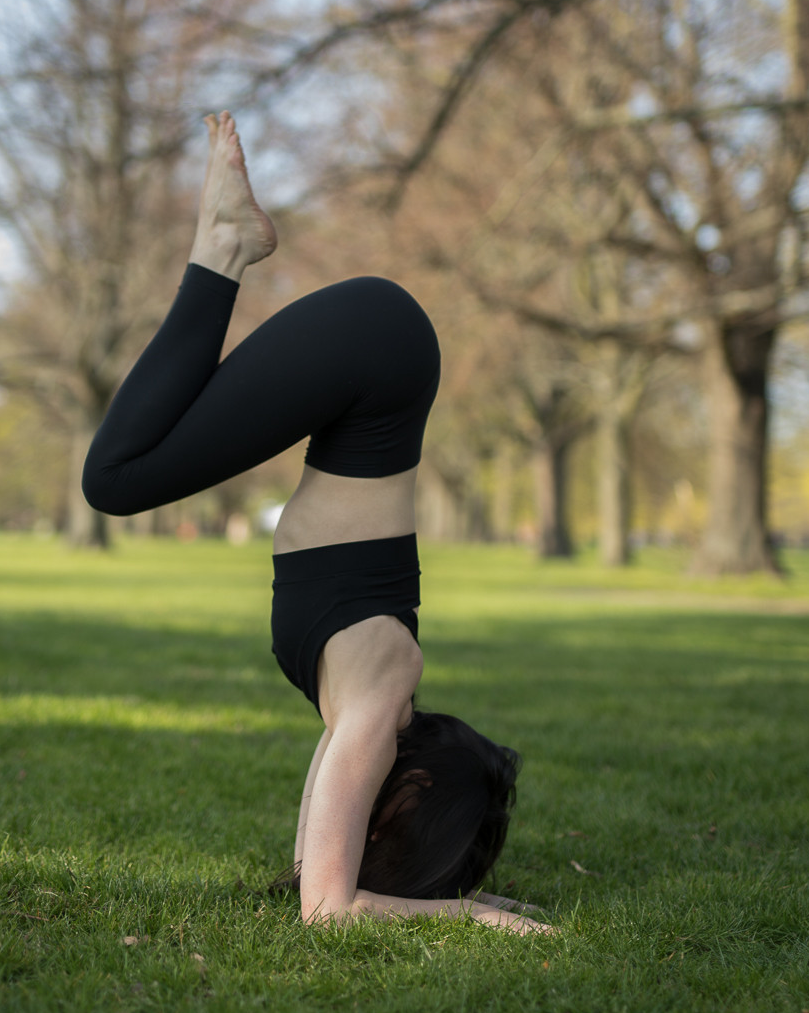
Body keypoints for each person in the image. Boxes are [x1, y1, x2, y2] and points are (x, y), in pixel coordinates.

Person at [82, 112, 550, 934]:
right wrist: (470, 918)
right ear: (408, 794)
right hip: (375, 352)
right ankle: (224, 245)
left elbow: (312, 875)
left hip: (377, 366)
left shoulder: (364, 709)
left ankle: (226, 245)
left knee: (121, 474)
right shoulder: (374, 703)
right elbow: (328, 910)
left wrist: (462, 896)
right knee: (116, 478)